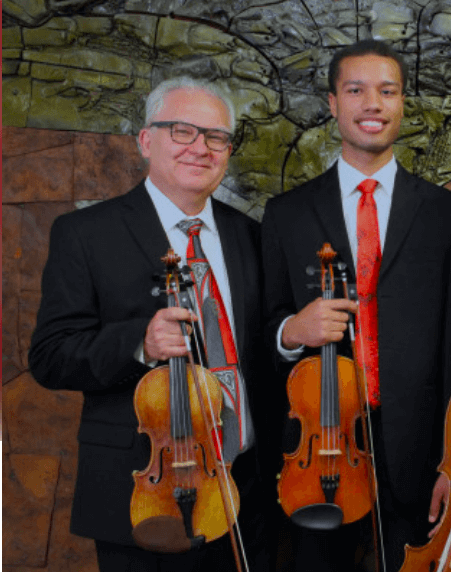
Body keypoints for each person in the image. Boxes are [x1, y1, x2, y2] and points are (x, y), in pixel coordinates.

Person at [28, 77, 277, 572]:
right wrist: (138, 344)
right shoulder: (85, 234)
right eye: (182, 131)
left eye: (216, 137)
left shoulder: (250, 234)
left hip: (243, 490)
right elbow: (50, 356)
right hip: (145, 493)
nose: (200, 148)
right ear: (146, 140)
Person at [261, 40, 451, 572]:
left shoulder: (448, 215)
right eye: (356, 90)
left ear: (403, 103)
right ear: (333, 103)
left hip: (419, 448)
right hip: (321, 444)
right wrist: (292, 330)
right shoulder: (286, 213)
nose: (372, 104)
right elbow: (262, 325)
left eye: (387, 91)